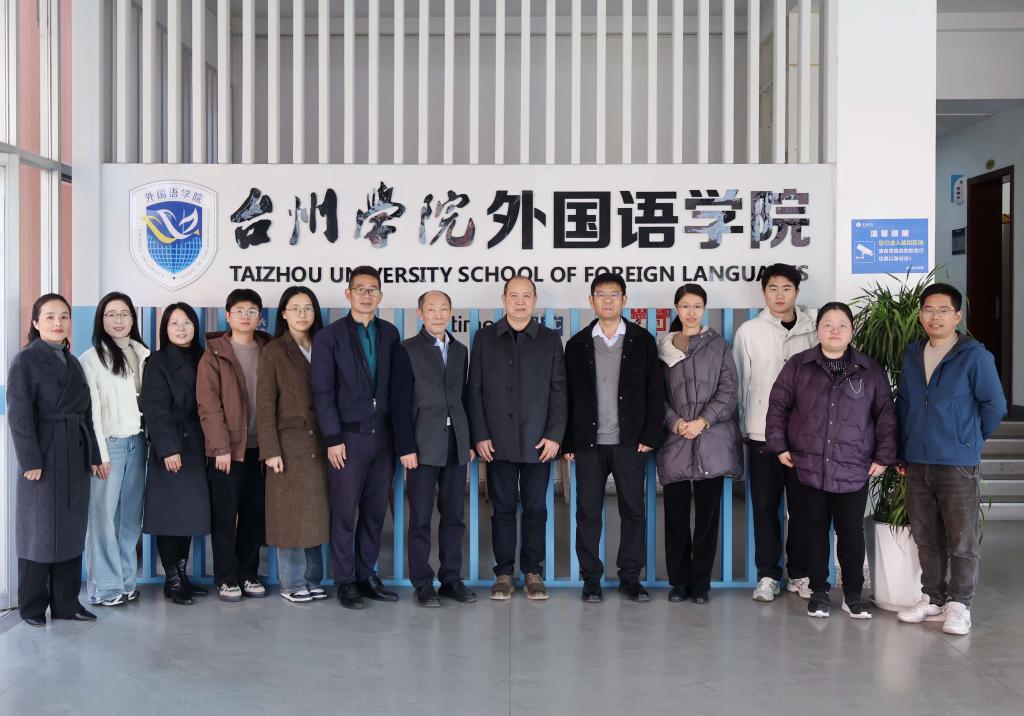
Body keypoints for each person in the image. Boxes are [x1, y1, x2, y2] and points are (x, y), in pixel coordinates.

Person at [765, 302, 897, 619]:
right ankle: (819, 592)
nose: (835, 331)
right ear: (818, 330)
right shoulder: (799, 365)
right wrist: (779, 445)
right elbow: (778, 406)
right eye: (828, 325)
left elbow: (885, 415)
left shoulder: (869, 369)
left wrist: (883, 455)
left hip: (853, 465)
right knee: (814, 529)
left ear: (851, 331)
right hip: (809, 465)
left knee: (851, 531)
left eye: (842, 325)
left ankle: (853, 595)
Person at [895, 283, 1006, 635]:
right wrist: (901, 449)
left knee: (961, 540)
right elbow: (905, 405)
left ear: (957, 316)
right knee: (926, 536)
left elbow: (995, 405)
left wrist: (968, 440)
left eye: (943, 310)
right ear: (920, 315)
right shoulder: (913, 354)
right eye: (929, 309)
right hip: (917, 460)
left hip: (957, 462)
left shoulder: (974, 355)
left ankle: (960, 604)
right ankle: (933, 598)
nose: (935, 316)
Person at [563, 273, 664, 603]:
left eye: (614, 294)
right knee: (588, 513)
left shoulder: (642, 341)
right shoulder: (577, 344)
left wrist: (650, 434)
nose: (607, 300)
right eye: (601, 294)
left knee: (633, 511)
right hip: (588, 444)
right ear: (591, 300)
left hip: (630, 443)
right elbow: (566, 396)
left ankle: (630, 578)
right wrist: (567, 441)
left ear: (625, 299)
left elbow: (655, 391)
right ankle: (591, 579)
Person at [468, 276, 567, 601]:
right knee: (503, 509)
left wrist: (554, 435)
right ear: (504, 299)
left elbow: (559, 390)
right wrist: (480, 435)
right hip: (497, 442)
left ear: (535, 300)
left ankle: (533, 572)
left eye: (526, 296)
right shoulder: (485, 338)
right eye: (514, 295)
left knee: (537, 509)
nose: (520, 301)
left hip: (539, 442)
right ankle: (504, 573)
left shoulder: (550, 339)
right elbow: (474, 389)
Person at [6, 294, 102, 626]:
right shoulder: (25, 360)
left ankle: (66, 603)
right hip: (44, 456)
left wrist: (94, 455)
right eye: (49, 317)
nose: (58, 323)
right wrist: (29, 460)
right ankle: (31, 607)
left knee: (71, 530)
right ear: (35, 322)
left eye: (63, 316)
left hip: (75, 452)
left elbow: (86, 414)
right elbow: (19, 415)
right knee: (39, 530)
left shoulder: (72, 361)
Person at [312, 266, 400, 609]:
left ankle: (367, 575)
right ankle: (345, 581)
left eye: (372, 289)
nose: (366, 295)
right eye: (360, 289)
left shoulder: (389, 333)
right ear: (348, 294)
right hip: (348, 438)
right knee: (345, 513)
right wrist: (333, 437)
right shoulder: (330, 337)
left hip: (384, 438)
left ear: (380, 296)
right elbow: (322, 392)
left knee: (375, 513)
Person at [732, 263, 817, 602]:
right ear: (763, 292)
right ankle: (768, 575)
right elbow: (740, 382)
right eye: (773, 288)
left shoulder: (814, 330)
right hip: (761, 434)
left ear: (797, 291)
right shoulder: (749, 331)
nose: (780, 295)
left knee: (802, 508)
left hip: (804, 436)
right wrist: (743, 427)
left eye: (786, 288)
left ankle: (799, 573)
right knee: (765, 507)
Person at [656, 284, 742, 604]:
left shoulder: (718, 346)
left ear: (704, 309)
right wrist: (676, 423)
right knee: (675, 518)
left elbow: (729, 390)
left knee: (707, 518)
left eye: (697, 306)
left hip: (712, 442)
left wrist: (703, 420)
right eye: (685, 306)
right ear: (676, 309)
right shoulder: (664, 348)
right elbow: (656, 395)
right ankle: (679, 582)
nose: (691, 312)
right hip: (676, 441)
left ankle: (701, 583)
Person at [391, 290, 477, 607]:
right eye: (431, 309)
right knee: (421, 518)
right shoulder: (407, 350)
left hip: (456, 445)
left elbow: (465, 398)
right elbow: (399, 402)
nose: (438, 314)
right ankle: (423, 583)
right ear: (420, 314)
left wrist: (469, 440)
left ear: (451, 313)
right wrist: (406, 446)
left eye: (443, 309)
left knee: (454, 516)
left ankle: (451, 579)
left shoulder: (460, 350)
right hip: (422, 445)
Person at [257, 286, 331, 604]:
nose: (302, 314)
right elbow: (264, 405)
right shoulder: (274, 351)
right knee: (288, 516)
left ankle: (313, 579)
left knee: (315, 515)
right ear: (284, 313)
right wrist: (270, 450)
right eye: (295, 308)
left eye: (308, 308)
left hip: (322, 442)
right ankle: (292, 582)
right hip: (288, 446)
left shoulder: (324, 345)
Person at [197, 288, 271, 602]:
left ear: (259, 317)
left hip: (261, 450)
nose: (245, 316)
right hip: (227, 451)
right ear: (228, 316)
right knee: (225, 517)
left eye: (252, 311)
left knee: (254, 514)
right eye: (239, 310)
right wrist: (220, 448)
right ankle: (226, 577)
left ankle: (248, 573)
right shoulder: (214, 353)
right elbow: (208, 405)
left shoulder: (268, 349)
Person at [81, 292, 150, 607]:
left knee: (129, 519)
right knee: (103, 519)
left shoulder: (143, 353)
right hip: (110, 443)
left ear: (133, 319)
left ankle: (125, 581)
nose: (118, 320)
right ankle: (105, 588)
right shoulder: (91, 359)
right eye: (111, 314)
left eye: (124, 314)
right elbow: (91, 412)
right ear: (101, 319)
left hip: (138, 441)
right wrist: (100, 454)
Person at [141, 303, 211, 605]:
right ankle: (172, 578)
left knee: (189, 512)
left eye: (186, 323)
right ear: (165, 329)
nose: (181, 329)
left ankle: (181, 576)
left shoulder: (203, 357)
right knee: (170, 514)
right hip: (173, 445)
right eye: (174, 323)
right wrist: (168, 448)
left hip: (198, 444)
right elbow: (155, 409)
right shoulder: (158, 362)